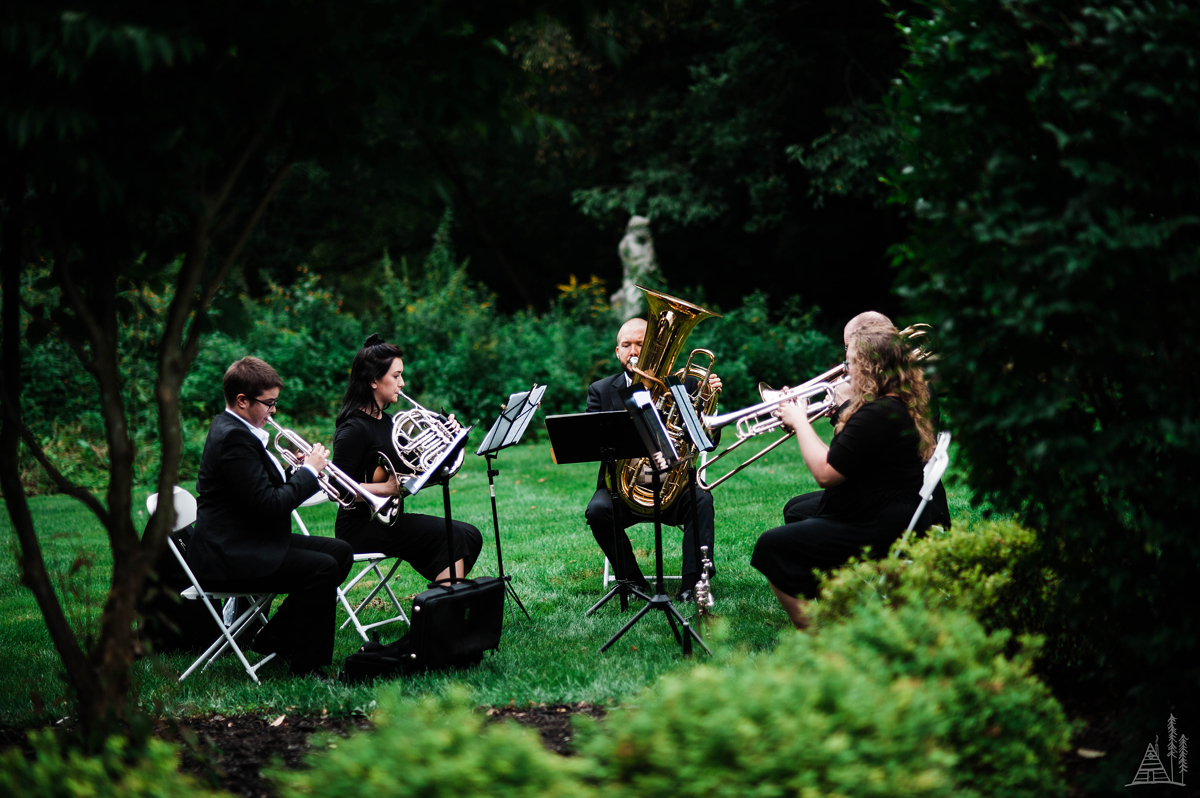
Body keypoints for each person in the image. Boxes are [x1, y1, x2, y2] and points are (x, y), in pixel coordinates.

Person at [751, 314, 949, 629]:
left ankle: (823, 640)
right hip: (886, 505)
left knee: (770, 546)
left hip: (879, 519)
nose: (846, 370)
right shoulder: (892, 404)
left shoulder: (878, 413)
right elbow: (854, 454)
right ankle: (834, 602)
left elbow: (827, 473)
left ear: (869, 368)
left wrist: (801, 422)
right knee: (799, 512)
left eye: (851, 362)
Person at [187, 356, 354, 677]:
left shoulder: (237, 429)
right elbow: (270, 505)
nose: (273, 411)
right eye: (269, 403)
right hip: (227, 556)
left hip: (246, 541)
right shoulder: (234, 438)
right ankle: (307, 665)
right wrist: (308, 472)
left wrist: (295, 469)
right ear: (242, 401)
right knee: (322, 568)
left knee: (340, 552)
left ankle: (275, 637)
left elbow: (257, 487)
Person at [584, 317, 721, 602]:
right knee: (597, 511)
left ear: (654, 348)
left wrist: (709, 411)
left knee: (702, 501)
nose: (633, 351)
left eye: (640, 344)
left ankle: (693, 584)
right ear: (617, 352)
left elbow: (708, 440)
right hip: (623, 487)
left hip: (672, 482)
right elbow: (594, 444)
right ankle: (633, 582)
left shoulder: (683, 385)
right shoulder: (600, 390)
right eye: (626, 345)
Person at [331, 334, 482, 584]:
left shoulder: (388, 423)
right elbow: (336, 488)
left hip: (385, 521)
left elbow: (416, 474)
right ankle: (444, 607)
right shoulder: (353, 429)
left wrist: (451, 443)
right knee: (456, 536)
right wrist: (386, 488)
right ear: (373, 381)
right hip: (358, 529)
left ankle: (443, 600)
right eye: (396, 375)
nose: (402, 383)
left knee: (470, 534)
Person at [781, 311, 951, 528]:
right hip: (880, 486)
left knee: (796, 515)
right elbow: (858, 445)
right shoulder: (894, 383)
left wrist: (845, 408)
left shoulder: (907, 391)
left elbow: (867, 445)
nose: (846, 363)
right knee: (795, 506)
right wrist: (841, 414)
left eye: (851, 350)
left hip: (897, 498)